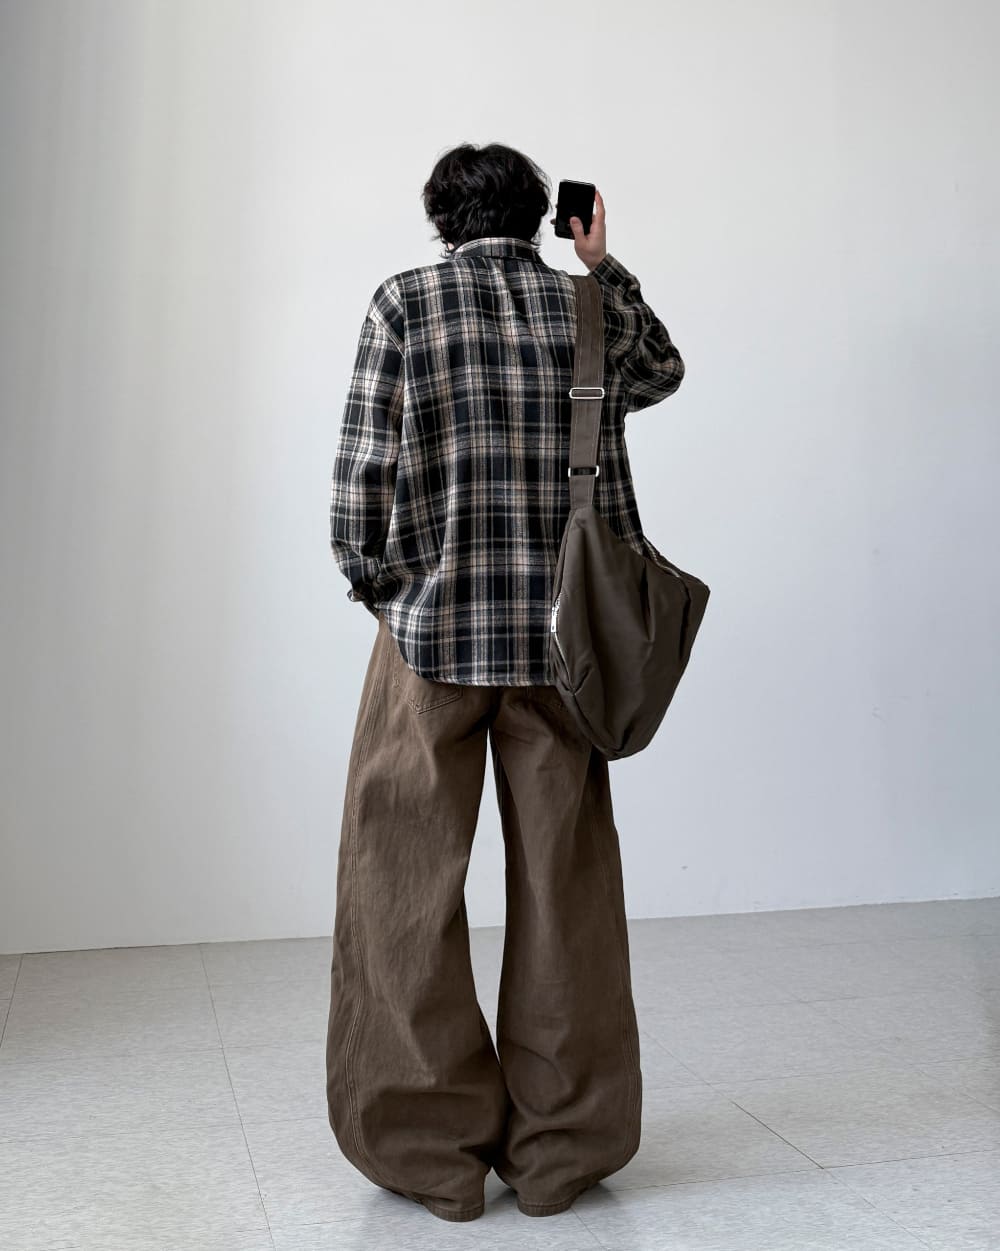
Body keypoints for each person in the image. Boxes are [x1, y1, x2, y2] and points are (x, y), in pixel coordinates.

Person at [325, 142, 685, 1223]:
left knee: (400, 887)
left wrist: (380, 586)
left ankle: (429, 1153)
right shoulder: (587, 310)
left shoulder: (403, 303)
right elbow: (661, 373)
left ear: (442, 216)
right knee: (566, 892)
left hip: (430, 635)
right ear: (541, 215)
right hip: (563, 649)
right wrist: (602, 266)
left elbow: (361, 478)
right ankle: (561, 1153)